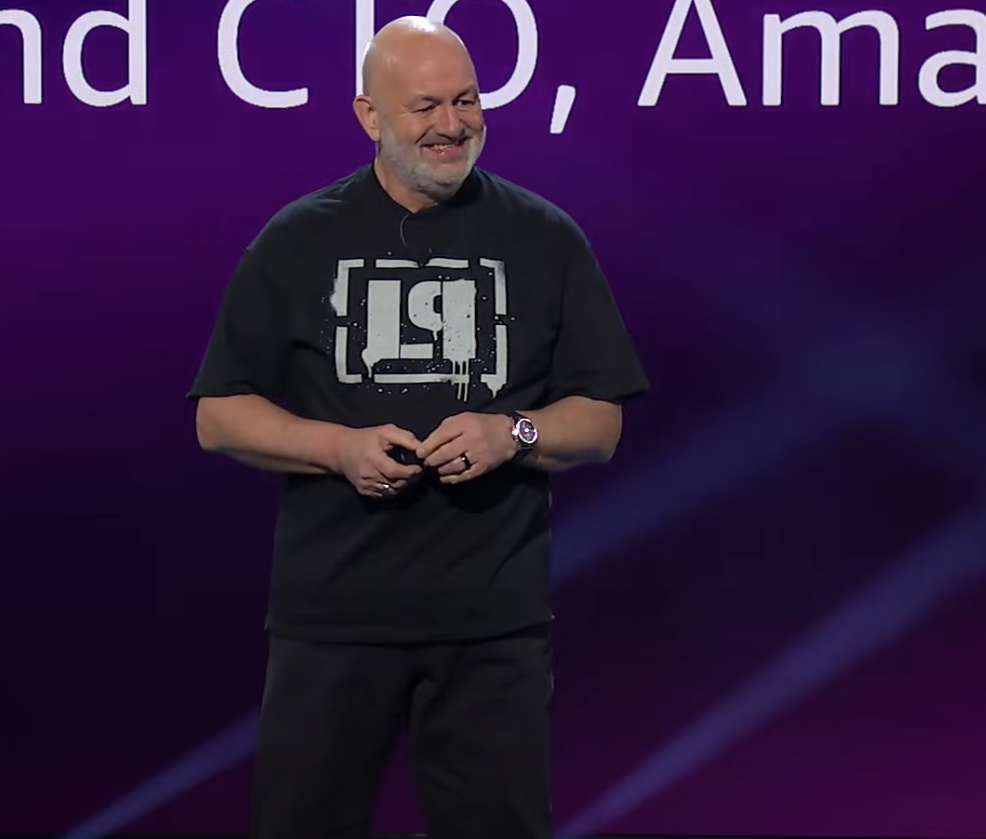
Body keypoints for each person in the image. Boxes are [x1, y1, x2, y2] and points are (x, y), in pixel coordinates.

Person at [186, 15, 648, 839]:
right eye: (425, 105)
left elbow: (599, 420)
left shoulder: (544, 236)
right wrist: (337, 447)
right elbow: (219, 414)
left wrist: (513, 433)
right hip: (333, 622)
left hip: (491, 628)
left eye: (465, 100)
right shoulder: (298, 239)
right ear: (369, 115)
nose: (452, 124)